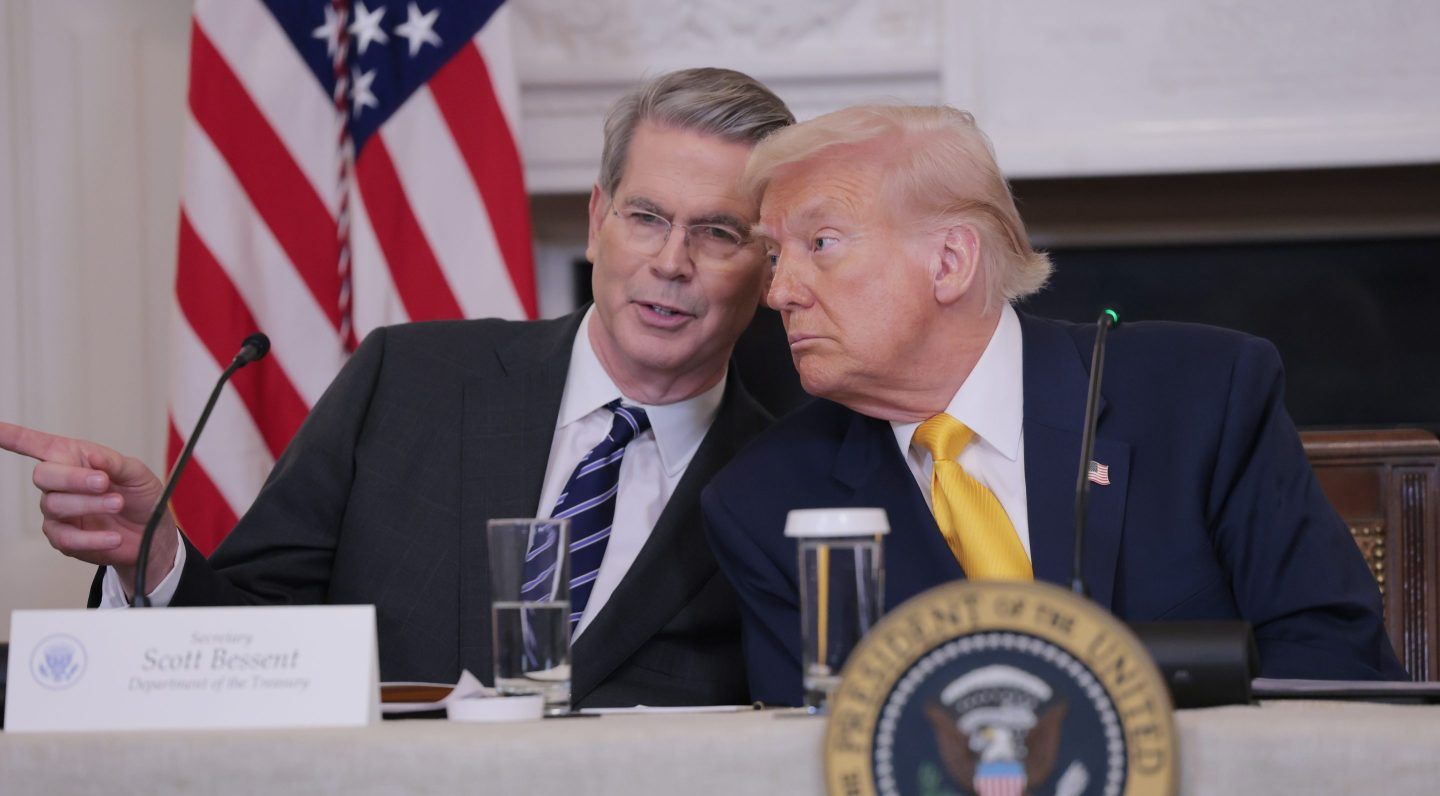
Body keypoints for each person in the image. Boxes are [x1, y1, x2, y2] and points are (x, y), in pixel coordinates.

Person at [0, 67, 794, 708]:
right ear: (597, 221)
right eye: (647, 217)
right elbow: (251, 639)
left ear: (769, 267)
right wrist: (157, 554)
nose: (671, 262)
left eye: (718, 233)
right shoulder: (406, 381)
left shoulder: (788, 481)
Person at [700, 104, 1407, 706]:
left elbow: (1331, 663)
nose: (778, 291)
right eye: (772, 256)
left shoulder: (1200, 395)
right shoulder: (764, 499)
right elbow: (808, 748)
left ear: (950, 261)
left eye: (820, 244)